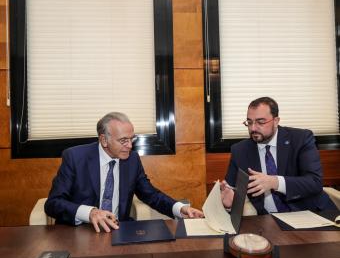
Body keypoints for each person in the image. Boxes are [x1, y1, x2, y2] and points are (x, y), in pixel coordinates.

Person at [45, 112, 204, 232]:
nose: (129, 146)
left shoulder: (132, 160)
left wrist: (179, 208)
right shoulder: (75, 157)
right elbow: (53, 204)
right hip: (79, 231)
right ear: (104, 140)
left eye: (131, 139)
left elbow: (150, 194)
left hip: (118, 231)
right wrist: (90, 213)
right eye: (123, 140)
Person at [221, 97, 336, 214]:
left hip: (312, 214)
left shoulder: (300, 139)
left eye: (260, 122)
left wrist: (275, 182)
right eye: (249, 122)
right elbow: (231, 190)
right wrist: (229, 204)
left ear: (276, 121)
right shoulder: (240, 150)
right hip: (267, 221)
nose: (253, 128)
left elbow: (314, 182)